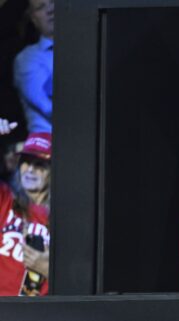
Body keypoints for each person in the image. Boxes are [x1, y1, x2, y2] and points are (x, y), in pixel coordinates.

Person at [0, 121, 51, 296]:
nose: (30, 170)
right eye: (26, 162)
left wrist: (49, 268)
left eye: (39, 165)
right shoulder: (6, 201)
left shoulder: (64, 220)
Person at [13, 0, 54, 133]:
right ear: (33, 19)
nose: (50, 10)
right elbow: (48, 108)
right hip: (47, 146)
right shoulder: (27, 58)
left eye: (54, 2)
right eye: (41, 7)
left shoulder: (83, 48)